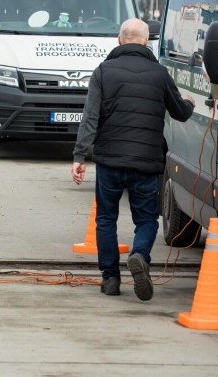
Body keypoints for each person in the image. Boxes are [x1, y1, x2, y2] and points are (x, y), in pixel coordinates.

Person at [72, 18, 195, 300]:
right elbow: (179, 112)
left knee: (105, 218)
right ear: (146, 41)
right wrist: (189, 103)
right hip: (146, 162)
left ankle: (110, 279)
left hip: (110, 162)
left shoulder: (102, 72)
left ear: (119, 40)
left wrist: (79, 156)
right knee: (147, 219)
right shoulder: (159, 73)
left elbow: (89, 118)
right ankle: (139, 255)